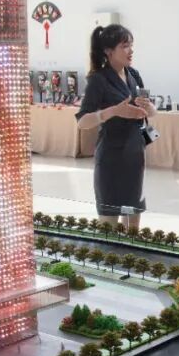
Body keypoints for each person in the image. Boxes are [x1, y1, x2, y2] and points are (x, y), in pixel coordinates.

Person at [75, 25, 156, 230]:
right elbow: (82, 121)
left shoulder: (134, 75)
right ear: (109, 51)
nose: (131, 50)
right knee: (109, 229)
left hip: (135, 158)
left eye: (131, 45)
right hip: (111, 161)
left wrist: (149, 107)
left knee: (132, 230)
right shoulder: (98, 80)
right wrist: (112, 111)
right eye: (125, 46)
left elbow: (151, 111)